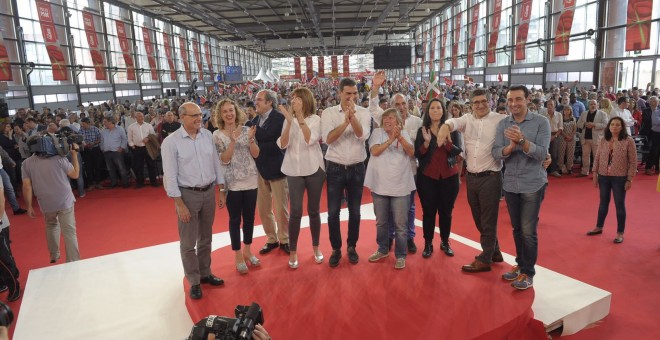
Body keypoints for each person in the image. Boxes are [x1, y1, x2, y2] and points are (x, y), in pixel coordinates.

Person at [161, 102, 226, 300]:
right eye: (194, 115)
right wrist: (179, 203)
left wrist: (221, 189)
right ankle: (194, 280)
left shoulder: (207, 135)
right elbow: (170, 176)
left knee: (206, 238)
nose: (199, 118)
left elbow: (216, 162)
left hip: (208, 193)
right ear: (182, 118)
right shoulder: (171, 142)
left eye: (200, 114)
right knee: (188, 242)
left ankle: (205, 273)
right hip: (187, 195)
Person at [437, 89, 506, 272]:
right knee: (478, 219)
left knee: (488, 220)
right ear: (471, 103)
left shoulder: (500, 119)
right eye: (476, 102)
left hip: (491, 177)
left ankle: (485, 258)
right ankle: (495, 251)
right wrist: (445, 127)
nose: (481, 105)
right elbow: (453, 121)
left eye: (484, 101)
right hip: (471, 178)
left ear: (489, 101)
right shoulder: (466, 119)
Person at [492, 85, 550, 290]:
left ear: (527, 99)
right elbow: (496, 153)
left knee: (528, 230)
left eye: (518, 99)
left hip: (532, 183)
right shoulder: (503, 124)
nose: (513, 104)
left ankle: (528, 272)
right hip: (510, 184)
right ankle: (520, 265)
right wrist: (509, 147)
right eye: (510, 100)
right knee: (517, 229)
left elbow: (543, 154)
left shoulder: (541, 122)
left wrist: (523, 141)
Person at [370, 71, 422, 254]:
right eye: (396, 104)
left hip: (410, 171)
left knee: (409, 208)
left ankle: (409, 238)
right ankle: (390, 238)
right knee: (387, 212)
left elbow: (419, 149)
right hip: (387, 174)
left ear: (408, 105)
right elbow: (373, 106)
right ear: (390, 107)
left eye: (403, 104)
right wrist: (376, 86)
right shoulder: (385, 119)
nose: (400, 107)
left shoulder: (417, 122)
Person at [322, 78, 371, 267]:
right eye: (348, 93)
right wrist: (344, 122)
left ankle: (352, 246)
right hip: (335, 167)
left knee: (355, 211)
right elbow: (328, 139)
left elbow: (362, 135)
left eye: (354, 93)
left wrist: (353, 118)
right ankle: (336, 248)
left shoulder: (364, 112)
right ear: (340, 93)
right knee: (333, 212)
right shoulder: (329, 112)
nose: (351, 97)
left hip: (357, 167)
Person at [277, 87, 326, 269]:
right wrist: (289, 122)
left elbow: (310, 140)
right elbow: (283, 144)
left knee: (314, 210)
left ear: (305, 100)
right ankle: (293, 251)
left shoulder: (315, 119)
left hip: (314, 169)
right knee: (295, 211)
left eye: (298, 98)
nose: (294, 101)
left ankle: (316, 248)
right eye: (293, 98)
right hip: (293, 170)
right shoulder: (287, 120)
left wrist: (298, 118)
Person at [213, 99, 260, 274]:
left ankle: (248, 250)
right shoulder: (217, 135)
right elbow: (224, 159)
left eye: (231, 110)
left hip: (250, 180)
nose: (229, 114)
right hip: (232, 184)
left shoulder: (247, 130)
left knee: (249, 219)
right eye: (225, 111)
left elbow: (256, 154)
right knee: (234, 220)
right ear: (221, 115)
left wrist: (251, 140)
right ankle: (238, 254)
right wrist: (233, 141)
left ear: (236, 111)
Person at [364, 108, 416, 269]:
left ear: (398, 121)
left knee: (401, 224)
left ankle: (401, 255)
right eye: (385, 118)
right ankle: (382, 249)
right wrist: (390, 139)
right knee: (381, 222)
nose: (387, 120)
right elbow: (375, 151)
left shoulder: (404, 134)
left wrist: (399, 137)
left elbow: (412, 152)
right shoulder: (377, 133)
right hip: (379, 185)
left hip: (400, 186)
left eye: (392, 118)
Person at [22, 134, 81, 263]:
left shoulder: (26, 163)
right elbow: (75, 174)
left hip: (45, 202)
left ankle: (54, 255)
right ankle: (73, 260)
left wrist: (29, 206)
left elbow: (27, 187)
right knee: (69, 231)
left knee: (51, 225)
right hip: (64, 200)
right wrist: (75, 155)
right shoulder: (59, 159)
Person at [415, 98, 460, 258]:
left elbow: (457, 151)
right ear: (428, 111)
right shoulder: (423, 130)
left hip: (449, 177)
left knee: (446, 212)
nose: (435, 110)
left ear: (443, 110)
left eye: (438, 107)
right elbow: (417, 154)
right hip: (427, 177)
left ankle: (445, 242)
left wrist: (446, 142)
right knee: (428, 212)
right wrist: (427, 144)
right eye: (432, 108)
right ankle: (428, 244)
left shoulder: (451, 128)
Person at [586, 117, 637, 244]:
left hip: (620, 177)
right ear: (609, 126)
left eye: (617, 125)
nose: (614, 127)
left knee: (619, 204)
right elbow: (597, 157)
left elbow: (633, 161)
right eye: (612, 124)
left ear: (622, 127)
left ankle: (620, 232)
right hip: (603, 176)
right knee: (603, 202)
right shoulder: (604, 140)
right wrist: (594, 173)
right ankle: (599, 226)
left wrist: (629, 179)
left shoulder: (628, 141)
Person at [252, 90, 290, 255]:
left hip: (277, 168)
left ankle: (285, 239)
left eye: (259, 100)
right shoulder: (254, 120)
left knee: (281, 208)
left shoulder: (279, 117)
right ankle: (272, 239)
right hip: (260, 169)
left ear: (269, 102)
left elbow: (270, 136)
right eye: (256, 100)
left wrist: (252, 132)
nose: (256, 103)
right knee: (263, 208)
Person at [576, 100, 608, 177]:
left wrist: (594, 125)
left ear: (597, 105)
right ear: (588, 105)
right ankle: (584, 171)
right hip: (585, 138)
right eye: (591, 104)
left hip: (597, 139)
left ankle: (597, 173)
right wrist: (584, 124)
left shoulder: (603, 114)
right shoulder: (584, 113)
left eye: (594, 104)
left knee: (597, 157)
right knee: (585, 156)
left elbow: (606, 125)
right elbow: (578, 123)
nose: (592, 106)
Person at [0, 181, 20, 301]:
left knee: (4, 259)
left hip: (1, 225)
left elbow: (1, 199)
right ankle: (2, 283)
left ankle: (14, 287)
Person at [127, 112, 158, 188]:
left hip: (148, 148)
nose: (141, 118)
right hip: (137, 148)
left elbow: (153, 135)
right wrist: (132, 146)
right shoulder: (131, 127)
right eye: (139, 116)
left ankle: (153, 182)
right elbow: (129, 138)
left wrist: (148, 138)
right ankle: (140, 183)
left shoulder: (148, 125)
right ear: (136, 118)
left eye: (142, 116)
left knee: (151, 165)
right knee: (138, 166)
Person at [100, 116, 130, 188]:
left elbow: (124, 139)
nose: (104, 123)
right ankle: (114, 183)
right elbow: (102, 141)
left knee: (121, 168)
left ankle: (125, 183)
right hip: (107, 152)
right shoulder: (103, 130)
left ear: (110, 122)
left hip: (117, 152)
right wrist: (102, 148)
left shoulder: (120, 129)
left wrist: (122, 147)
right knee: (110, 169)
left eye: (105, 122)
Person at [79, 117, 104, 190]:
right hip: (86, 150)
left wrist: (94, 143)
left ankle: (98, 182)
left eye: (83, 124)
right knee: (88, 167)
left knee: (97, 166)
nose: (82, 125)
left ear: (88, 123)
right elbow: (80, 141)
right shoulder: (80, 131)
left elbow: (100, 138)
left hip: (95, 149)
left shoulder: (95, 129)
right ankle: (91, 183)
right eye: (82, 124)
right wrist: (84, 144)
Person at [541, 100, 563, 177]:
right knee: (544, 153)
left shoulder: (559, 115)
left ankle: (553, 170)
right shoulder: (543, 115)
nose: (549, 106)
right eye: (548, 104)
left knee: (554, 154)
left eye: (551, 104)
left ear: (554, 106)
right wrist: (547, 136)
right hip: (545, 135)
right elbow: (541, 127)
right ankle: (544, 170)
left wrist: (554, 136)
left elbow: (560, 128)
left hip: (555, 135)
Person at [557, 106, 577, 175]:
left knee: (570, 153)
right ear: (563, 111)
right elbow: (560, 128)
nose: (566, 111)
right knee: (561, 153)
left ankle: (569, 168)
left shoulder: (573, 119)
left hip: (572, 138)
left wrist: (570, 136)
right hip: (562, 137)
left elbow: (575, 129)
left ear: (570, 111)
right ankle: (560, 168)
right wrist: (566, 136)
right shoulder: (561, 118)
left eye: (568, 110)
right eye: (565, 110)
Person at [644, 97, 660, 175]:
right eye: (653, 101)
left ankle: (657, 167)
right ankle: (648, 167)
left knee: (658, 151)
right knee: (653, 150)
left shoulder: (658, 110)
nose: (655, 102)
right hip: (652, 132)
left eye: (657, 101)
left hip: (657, 132)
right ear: (650, 102)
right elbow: (653, 121)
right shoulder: (647, 110)